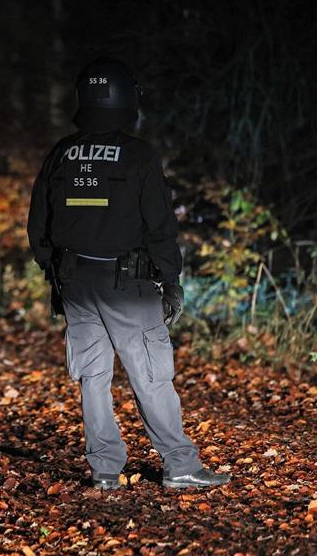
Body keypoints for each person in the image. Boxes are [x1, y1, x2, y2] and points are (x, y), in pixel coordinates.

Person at [27, 57, 231, 490]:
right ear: (128, 98)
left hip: (76, 281)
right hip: (128, 286)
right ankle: (179, 465)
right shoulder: (137, 154)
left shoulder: (61, 152)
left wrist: (54, 273)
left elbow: (38, 222)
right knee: (151, 375)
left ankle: (104, 471)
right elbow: (160, 225)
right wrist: (171, 278)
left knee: (93, 378)